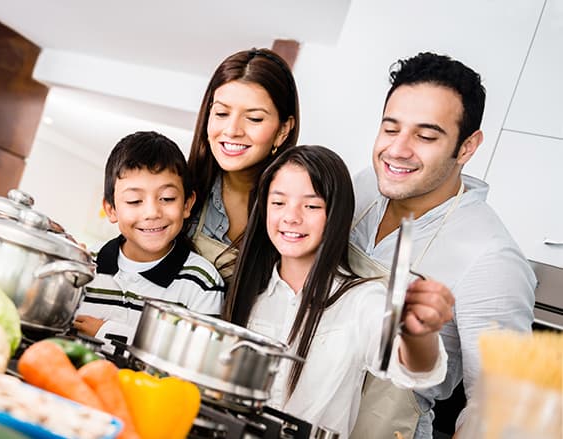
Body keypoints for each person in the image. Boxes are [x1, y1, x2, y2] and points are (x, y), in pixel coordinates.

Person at [349, 52, 537, 439]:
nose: (398, 150)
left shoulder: (492, 257)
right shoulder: (364, 186)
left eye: (426, 136)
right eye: (390, 128)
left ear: (467, 147)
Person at [222, 145, 452, 437]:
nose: (291, 217)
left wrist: (419, 334)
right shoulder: (246, 290)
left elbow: (414, 370)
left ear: (336, 215)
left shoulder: (362, 300)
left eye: (311, 206)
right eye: (278, 202)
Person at [73, 131, 225, 347]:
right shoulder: (86, 265)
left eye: (167, 198)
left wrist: (108, 332)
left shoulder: (202, 282)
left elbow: (196, 359)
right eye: (134, 201)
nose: (152, 212)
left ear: (187, 204)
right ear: (111, 209)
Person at [187, 48, 299, 285]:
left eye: (254, 118)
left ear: (283, 131)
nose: (232, 130)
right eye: (221, 113)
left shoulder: (294, 215)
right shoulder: (181, 192)